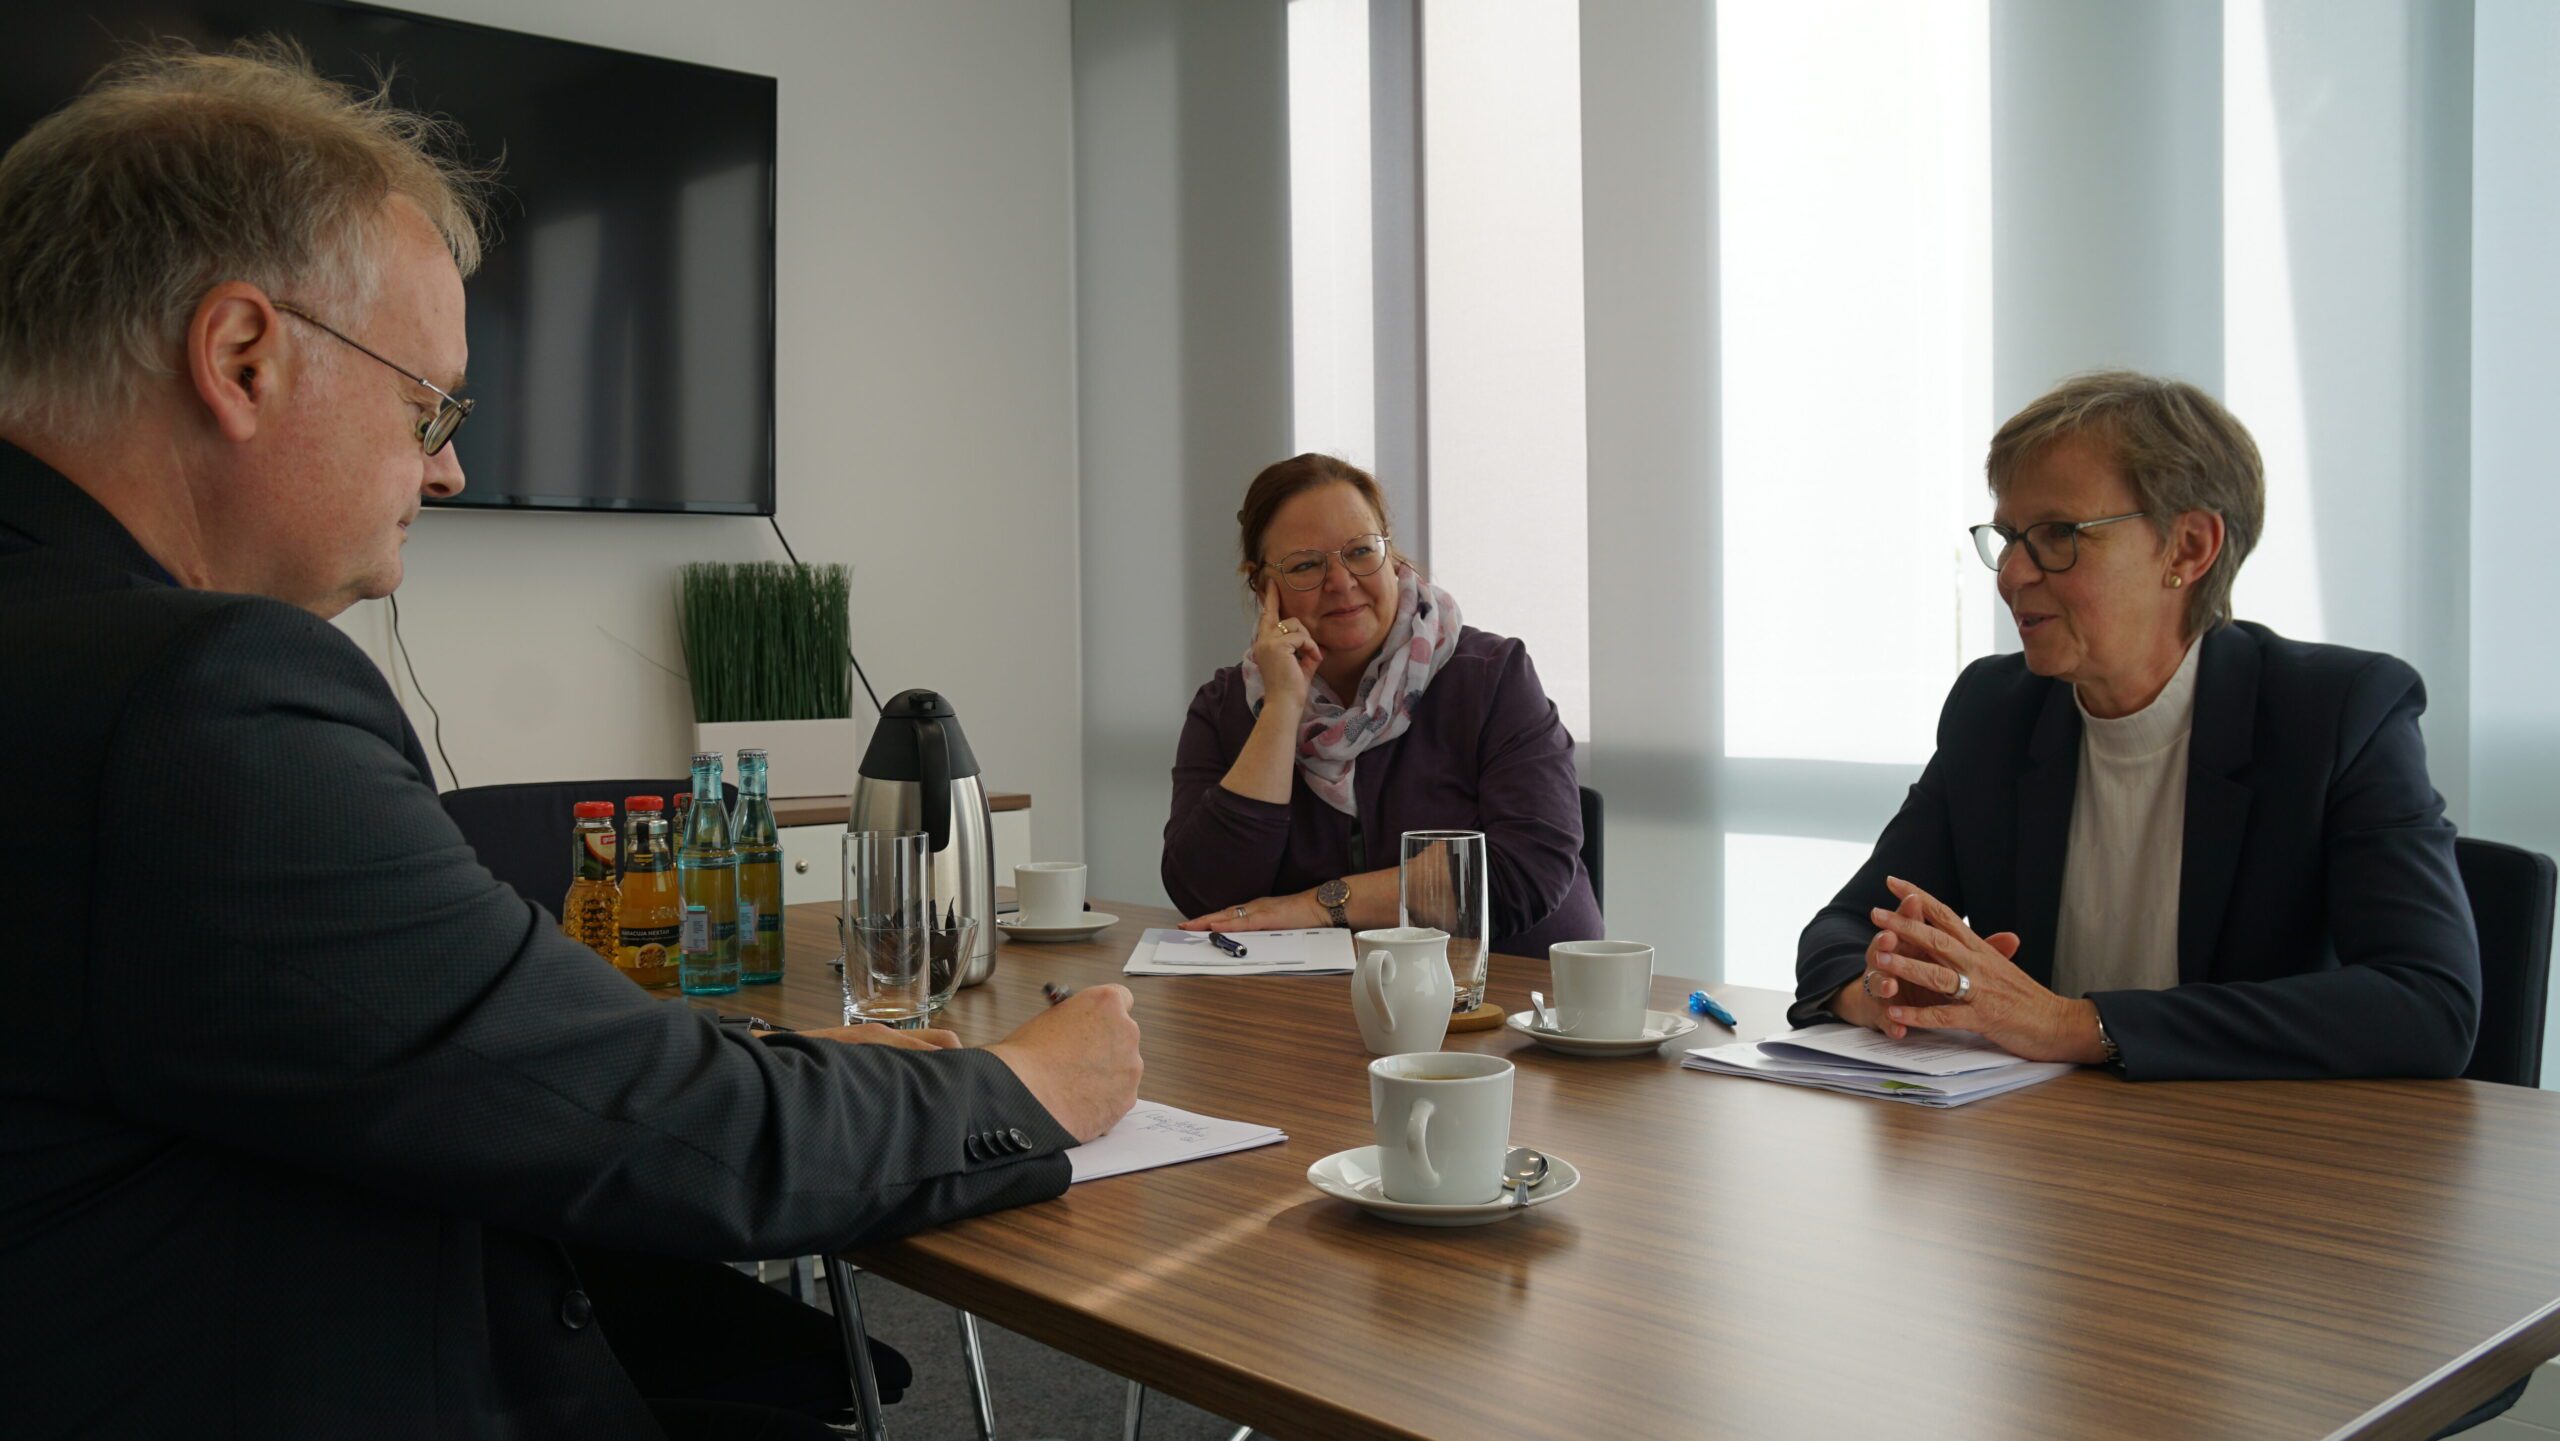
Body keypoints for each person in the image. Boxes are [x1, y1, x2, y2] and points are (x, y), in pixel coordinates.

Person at [0, 41, 1141, 1440]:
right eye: (430, 403)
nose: (449, 467)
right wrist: (1021, 1090)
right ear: (242, 357)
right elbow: (652, 1122)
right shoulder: (195, 704)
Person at [1792, 371, 2479, 1081]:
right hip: (2046, 1156)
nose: (2012, 573)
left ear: (2187, 549)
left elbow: (2429, 1003)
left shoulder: (2336, 712)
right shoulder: (1994, 712)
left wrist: (2074, 1023)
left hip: (2258, 1162)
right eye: (2008, 536)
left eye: (2057, 534)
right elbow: (1844, 930)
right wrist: (1880, 990)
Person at [1162, 453, 1600, 956]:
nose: (1342, 582)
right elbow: (1204, 894)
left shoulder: (1492, 677)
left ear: (1392, 557)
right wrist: (1282, 707)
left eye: (1361, 552)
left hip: (1510, 997)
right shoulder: (1226, 709)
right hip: (1305, 1007)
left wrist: (1318, 905)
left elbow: (1525, 869)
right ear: (1263, 587)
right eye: (1306, 565)